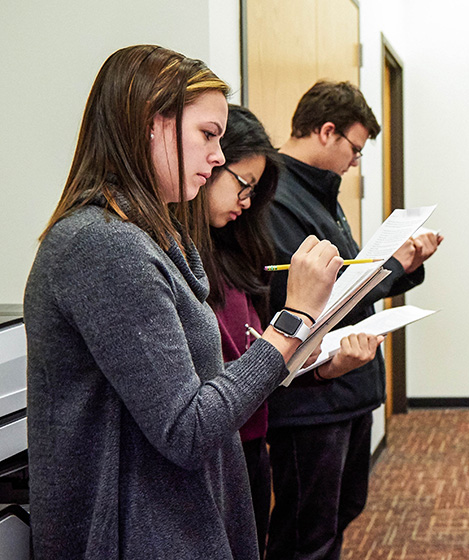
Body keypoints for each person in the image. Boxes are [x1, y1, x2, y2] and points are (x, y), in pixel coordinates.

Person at [23, 45, 343, 559]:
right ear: (153, 124)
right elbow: (187, 428)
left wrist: (299, 340)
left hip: (173, 520)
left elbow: (199, 391)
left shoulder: (149, 236)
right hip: (140, 535)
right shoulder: (103, 243)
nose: (218, 156)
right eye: (208, 135)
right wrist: (292, 322)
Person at [188, 103, 384, 557]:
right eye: (244, 185)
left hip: (250, 443)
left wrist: (320, 370)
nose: (248, 201)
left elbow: (255, 361)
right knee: (302, 537)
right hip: (220, 445)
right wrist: (297, 315)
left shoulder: (234, 254)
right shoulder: (186, 265)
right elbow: (216, 384)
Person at [264, 80, 442, 560]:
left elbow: (345, 278)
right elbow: (315, 300)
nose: (356, 161)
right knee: (306, 532)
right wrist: (396, 265)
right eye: (356, 149)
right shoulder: (275, 197)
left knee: (340, 513)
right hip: (312, 398)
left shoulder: (319, 191)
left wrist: (400, 263)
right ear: (326, 132)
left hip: (346, 389)